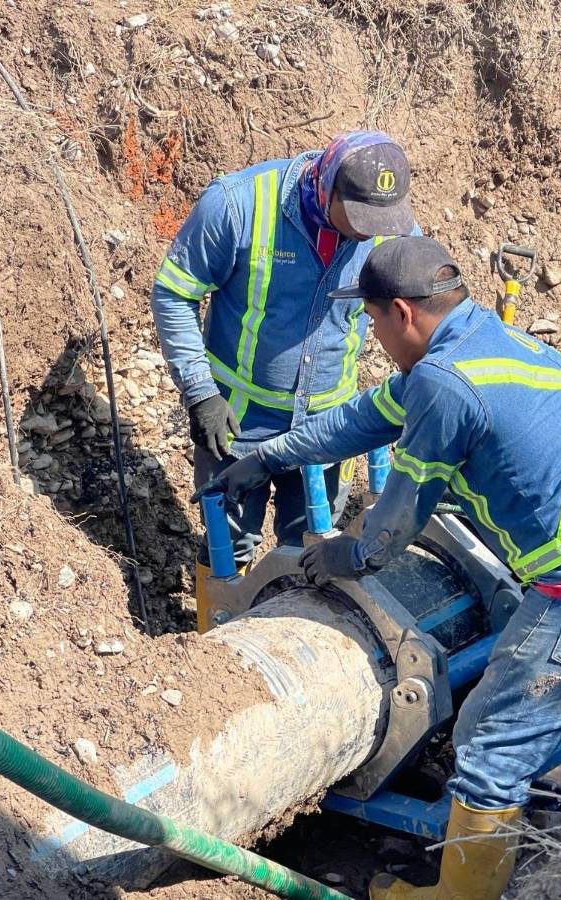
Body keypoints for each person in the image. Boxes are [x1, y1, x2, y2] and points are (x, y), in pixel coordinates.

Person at [196, 236, 561, 900]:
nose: (373, 334)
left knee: (490, 738)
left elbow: (404, 506)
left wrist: (357, 554)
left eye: (371, 320)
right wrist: (271, 456)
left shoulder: (443, 382)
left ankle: (461, 895)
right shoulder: (486, 343)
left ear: (401, 312)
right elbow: (362, 418)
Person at [150, 131, 417, 631]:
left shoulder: (389, 228)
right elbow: (173, 293)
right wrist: (201, 392)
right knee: (229, 546)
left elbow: (415, 310)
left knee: (311, 549)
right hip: (237, 425)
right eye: (358, 221)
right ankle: (219, 645)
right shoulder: (238, 205)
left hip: (327, 428)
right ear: (327, 188)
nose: (367, 235)